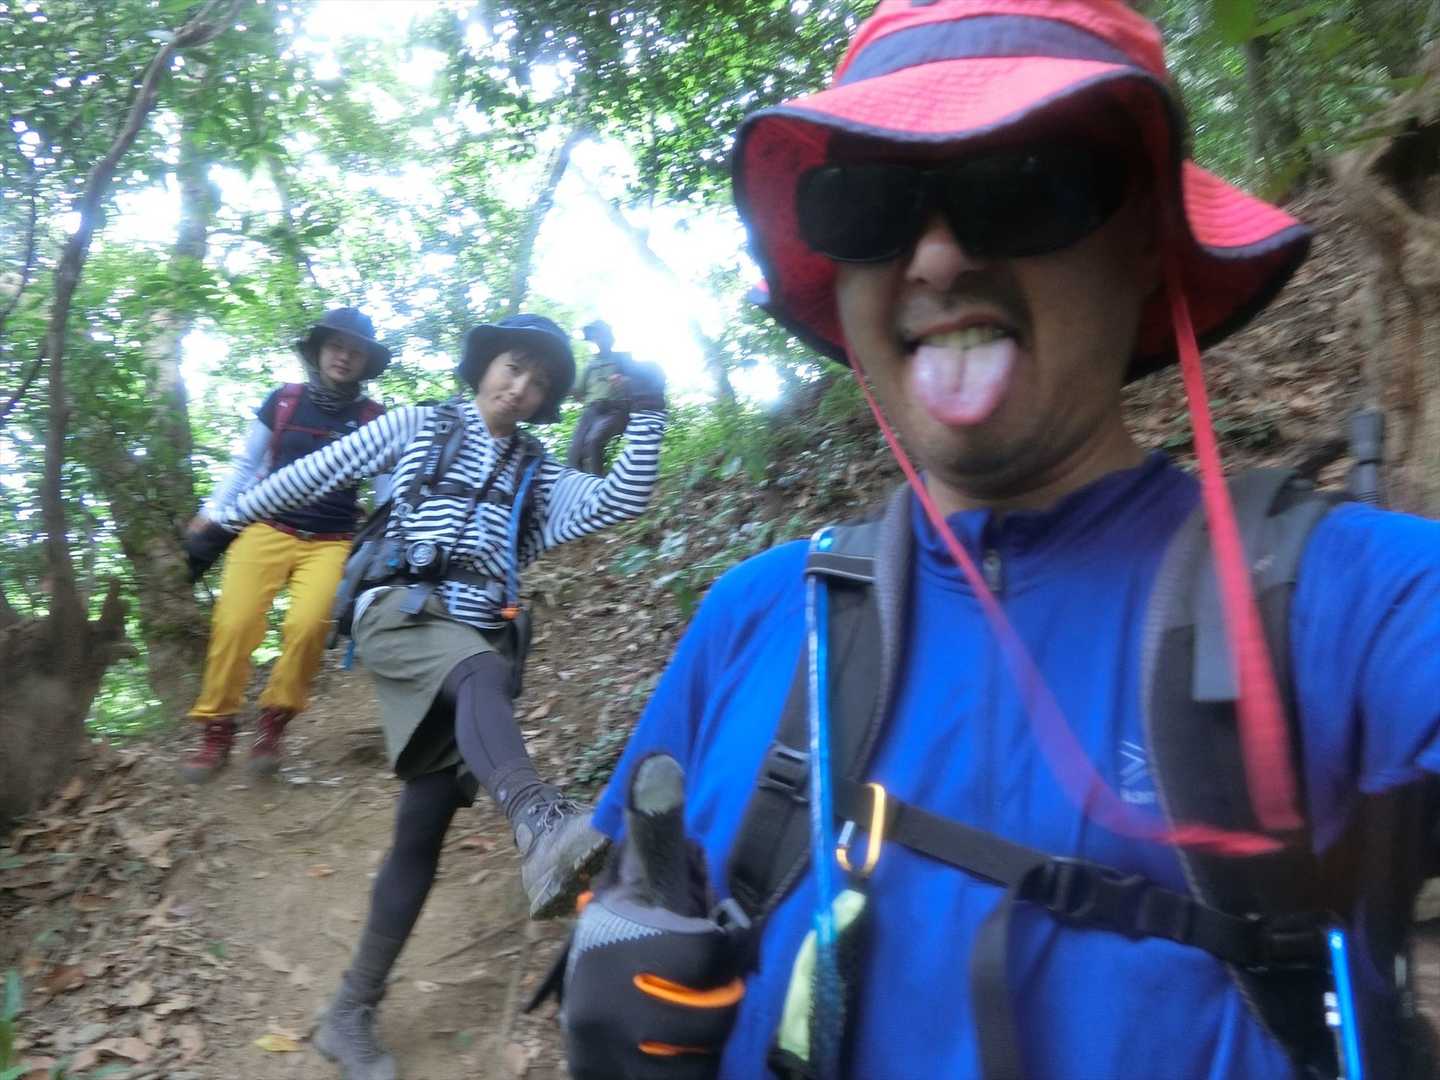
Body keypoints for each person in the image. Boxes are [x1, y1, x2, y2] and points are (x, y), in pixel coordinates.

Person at [552, 2, 1440, 1078]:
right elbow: (642, 886)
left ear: (1145, 247)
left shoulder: (1349, 598)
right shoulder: (757, 614)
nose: (935, 257)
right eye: (869, 204)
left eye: (1022, 183)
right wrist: (616, 953)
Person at [204, 313, 666, 1080]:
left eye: (539, 383)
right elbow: (314, 473)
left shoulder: (537, 472)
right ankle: (539, 823)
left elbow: (622, 497)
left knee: (421, 831)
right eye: (513, 367)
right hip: (400, 613)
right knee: (479, 672)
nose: (521, 388)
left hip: (474, 642)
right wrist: (222, 522)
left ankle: (349, 1010)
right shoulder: (419, 425)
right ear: (484, 365)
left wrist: (648, 409)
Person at [180, 307, 390, 783]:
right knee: (234, 623)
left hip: (333, 539)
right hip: (266, 526)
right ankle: (217, 729)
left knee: (309, 626)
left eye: (355, 352)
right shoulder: (284, 401)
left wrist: (390, 539)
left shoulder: (374, 420)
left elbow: (386, 491)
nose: (344, 357)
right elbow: (245, 464)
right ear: (319, 351)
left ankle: (274, 724)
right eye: (336, 346)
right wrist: (213, 511)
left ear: (365, 362)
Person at [567, 320, 665, 475]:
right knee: (574, 451)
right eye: (595, 336)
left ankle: (597, 484)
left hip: (615, 410)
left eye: (601, 335)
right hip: (591, 411)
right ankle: (576, 485)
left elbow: (643, 380)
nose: (598, 339)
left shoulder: (623, 359)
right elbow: (579, 392)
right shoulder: (590, 364)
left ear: (608, 337)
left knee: (593, 442)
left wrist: (625, 381)